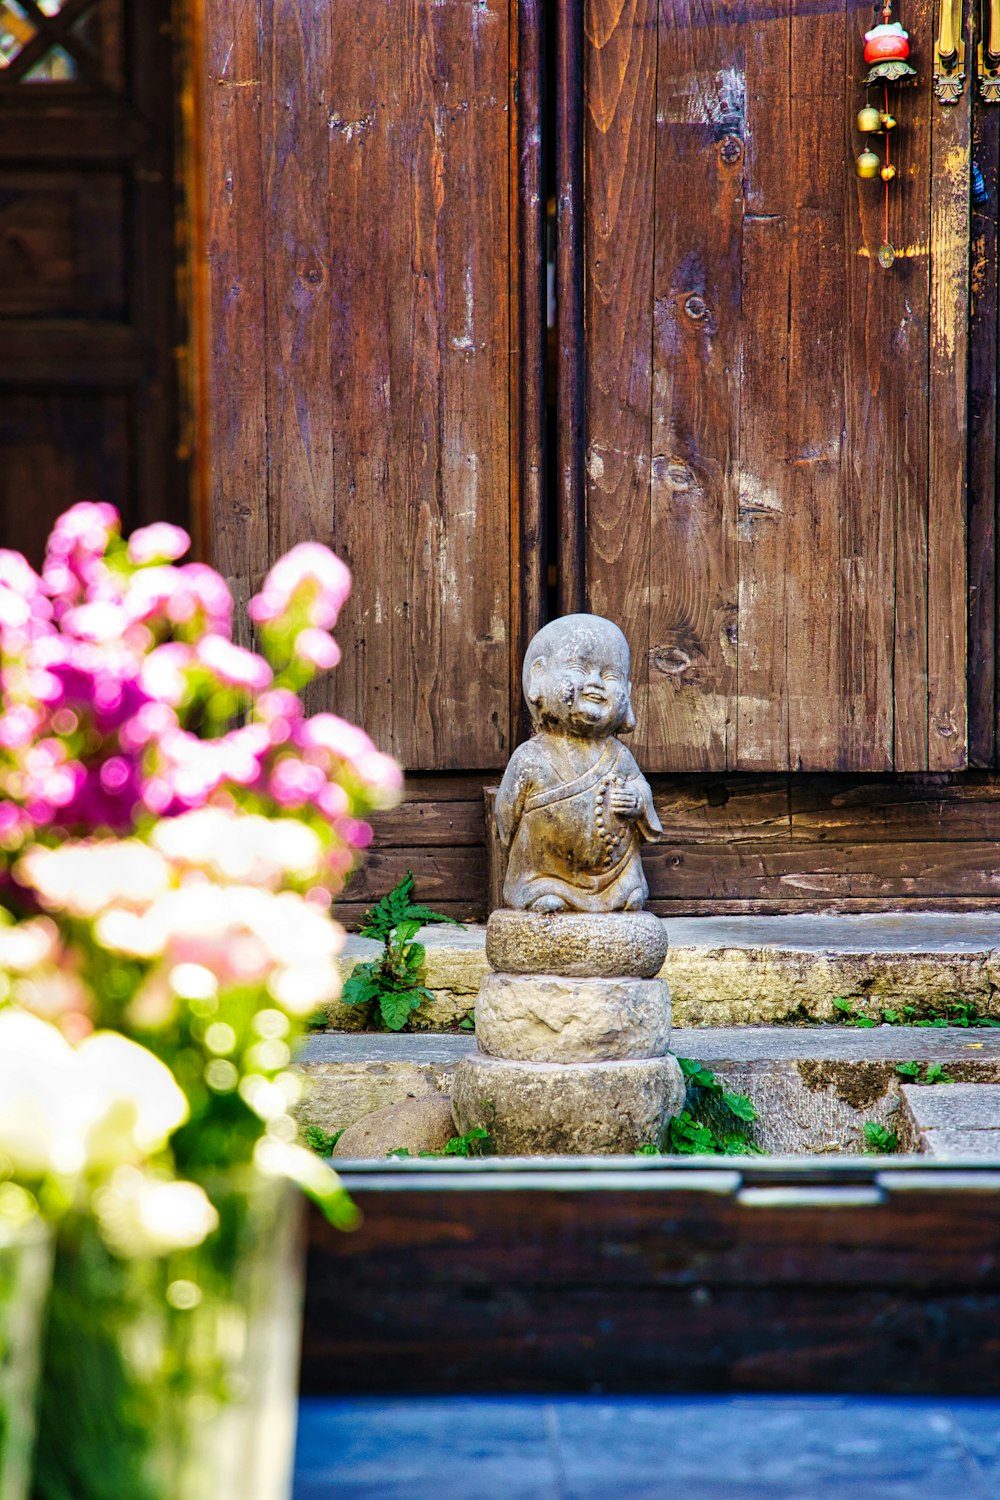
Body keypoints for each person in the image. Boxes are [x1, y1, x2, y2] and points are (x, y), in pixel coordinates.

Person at [495, 614, 662, 912]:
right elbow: (507, 814)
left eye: (611, 676)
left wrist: (636, 801)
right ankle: (537, 889)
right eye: (579, 669)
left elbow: (640, 787)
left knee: (630, 891)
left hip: (610, 871)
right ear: (539, 676)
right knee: (542, 886)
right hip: (545, 871)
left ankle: (620, 891)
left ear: (628, 691)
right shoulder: (531, 756)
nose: (595, 683)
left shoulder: (619, 756)